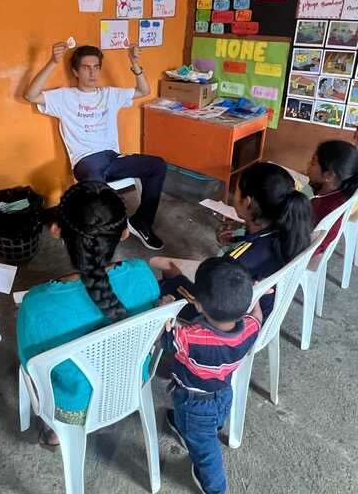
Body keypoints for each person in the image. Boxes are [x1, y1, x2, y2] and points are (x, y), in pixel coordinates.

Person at [16, 181, 160, 443]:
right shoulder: (143, 274)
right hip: (130, 388)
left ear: (56, 231)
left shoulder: (36, 305)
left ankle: (55, 434)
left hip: (75, 410)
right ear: (124, 233)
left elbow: (31, 368)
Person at [24, 41, 166, 250]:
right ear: (75, 72)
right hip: (86, 161)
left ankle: (141, 222)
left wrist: (135, 63)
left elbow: (144, 90)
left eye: (96, 67)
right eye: (86, 67)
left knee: (157, 165)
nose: (92, 72)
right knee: (98, 189)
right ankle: (105, 233)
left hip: (113, 158)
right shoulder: (64, 96)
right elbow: (30, 95)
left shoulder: (110, 94)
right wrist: (53, 62)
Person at [157, 162, 311, 320]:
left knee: (164, 277)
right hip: (262, 309)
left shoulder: (234, 263)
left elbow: (211, 299)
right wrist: (241, 237)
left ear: (247, 202)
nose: (233, 197)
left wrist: (177, 277)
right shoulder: (289, 231)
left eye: (236, 192)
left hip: (223, 317)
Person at [162, 257, 262, 494]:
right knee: (212, 424)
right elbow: (257, 315)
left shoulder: (188, 337)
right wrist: (256, 298)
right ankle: (188, 426)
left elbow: (164, 339)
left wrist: (164, 309)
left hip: (194, 404)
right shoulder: (251, 327)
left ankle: (216, 488)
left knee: (205, 451)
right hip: (223, 392)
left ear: (198, 305)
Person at [307, 140, 358, 255]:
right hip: (317, 246)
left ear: (329, 175)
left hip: (303, 253)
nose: (308, 164)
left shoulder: (320, 207)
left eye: (313, 162)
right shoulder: (341, 192)